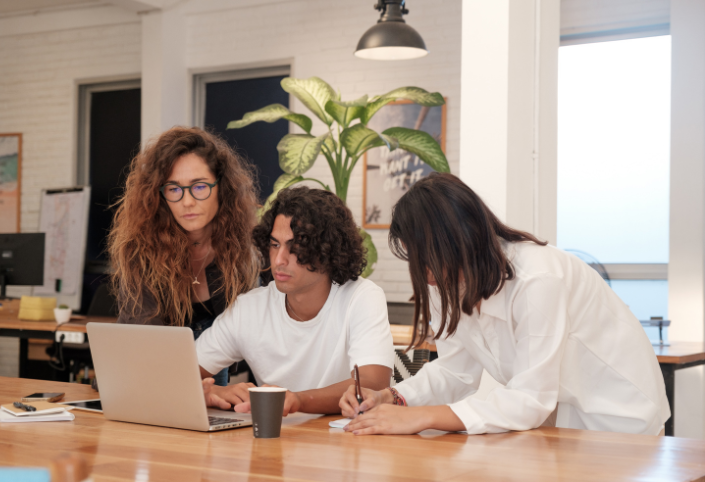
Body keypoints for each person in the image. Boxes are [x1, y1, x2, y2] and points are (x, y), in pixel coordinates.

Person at [340, 172, 670, 436]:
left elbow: (530, 399)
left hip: (620, 415)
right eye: (415, 260)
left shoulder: (538, 279)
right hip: (561, 420)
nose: (424, 274)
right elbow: (456, 372)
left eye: (428, 257)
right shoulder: (442, 278)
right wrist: (395, 398)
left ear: (461, 240)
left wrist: (422, 418)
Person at [196, 186, 395, 415]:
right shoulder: (249, 309)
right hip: (275, 441)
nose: (279, 259)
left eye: (295, 246)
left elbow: (373, 383)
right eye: (274, 244)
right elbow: (177, 374)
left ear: (328, 250)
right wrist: (211, 393)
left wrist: (298, 401)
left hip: (349, 441)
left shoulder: (361, 297)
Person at [108, 127, 259, 386]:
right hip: (151, 375)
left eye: (199, 186)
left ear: (221, 188)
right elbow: (143, 347)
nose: (187, 201)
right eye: (174, 189)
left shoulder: (245, 250)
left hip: (215, 376)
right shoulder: (139, 250)